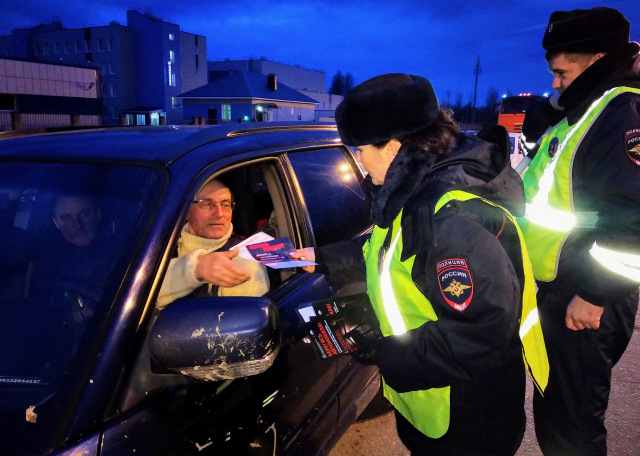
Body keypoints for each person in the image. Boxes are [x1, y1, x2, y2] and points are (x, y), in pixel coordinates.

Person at [292, 73, 548, 456]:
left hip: (466, 419)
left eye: (361, 150)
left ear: (393, 147)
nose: (359, 163)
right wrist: (324, 258)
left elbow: (482, 332)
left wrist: (385, 350)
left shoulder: (452, 219)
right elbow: (392, 249)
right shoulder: (417, 192)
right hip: (433, 400)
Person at [516, 7, 640, 456]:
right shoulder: (588, 108)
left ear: (598, 59)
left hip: (586, 298)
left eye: (561, 72)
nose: (554, 82)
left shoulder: (622, 114)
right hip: (562, 285)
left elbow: (633, 218)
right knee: (557, 418)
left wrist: (594, 293)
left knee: (573, 430)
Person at [157, 178, 269, 308]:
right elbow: (136, 288)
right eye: (206, 204)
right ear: (186, 211)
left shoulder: (244, 259)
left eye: (225, 205)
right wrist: (196, 268)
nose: (219, 213)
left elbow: (239, 322)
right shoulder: (159, 247)